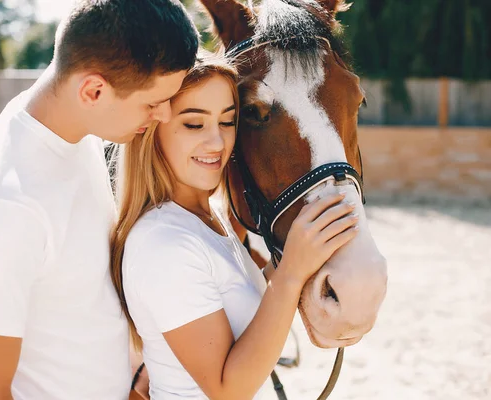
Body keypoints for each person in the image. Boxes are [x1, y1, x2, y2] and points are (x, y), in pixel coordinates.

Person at [0, 1, 198, 399]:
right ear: (93, 90)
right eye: (151, 102)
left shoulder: (76, 137)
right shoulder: (1, 205)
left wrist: (132, 371)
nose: (164, 115)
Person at [110, 54, 360, 399]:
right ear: (153, 131)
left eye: (227, 122)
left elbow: (241, 314)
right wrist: (289, 273)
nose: (217, 143)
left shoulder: (206, 219)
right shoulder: (163, 243)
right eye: (194, 124)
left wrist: (308, 257)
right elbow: (228, 390)